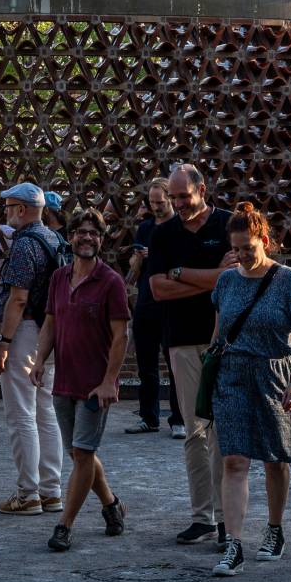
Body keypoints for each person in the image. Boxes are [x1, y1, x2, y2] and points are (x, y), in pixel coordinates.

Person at [205, 203, 291, 576]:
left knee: (275, 459)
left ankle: (275, 528)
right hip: (232, 375)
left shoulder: (288, 280)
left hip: (274, 374)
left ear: (264, 241)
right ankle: (233, 545)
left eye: (249, 247)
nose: (243, 255)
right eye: (237, 249)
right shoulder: (226, 281)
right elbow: (219, 333)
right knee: (234, 459)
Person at [29, 209, 129, 552]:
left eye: (94, 233)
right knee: (78, 453)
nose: (87, 238)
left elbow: (120, 336)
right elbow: (51, 324)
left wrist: (109, 381)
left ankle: (64, 525)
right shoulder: (59, 277)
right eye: (81, 232)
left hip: (94, 386)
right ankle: (112, 505)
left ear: (102, 240)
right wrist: (40, 360)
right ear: (70, 237)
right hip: (64, 381)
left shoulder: (111, 281)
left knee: (83, 454)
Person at [146, 163, 236, 545]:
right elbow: (157, 290)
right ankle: (202, 515)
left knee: (223, 430)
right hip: (181, 339)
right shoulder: (162, 234)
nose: (179, 203)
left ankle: (224, 516)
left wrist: (182, 273)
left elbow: (238, 276)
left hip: (225, 339)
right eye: (175, 197)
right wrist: (212, 277)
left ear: (203, 189)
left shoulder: (230, 225)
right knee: (195, 429)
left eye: (185, 196)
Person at [0, 181, 65, 515]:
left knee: (21, 413)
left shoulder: (23, 245)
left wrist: (3, 344)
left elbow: (17, 298)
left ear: (21, 209)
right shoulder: (55, 239)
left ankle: (28, 493)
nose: (6, 214)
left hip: (25, 332)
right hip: (51, 332)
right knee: (46, 412)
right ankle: (51, 490)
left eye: (8, 208)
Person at [125, 178, 180, 437]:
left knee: (175, 364)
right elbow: (135, 266)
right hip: (147, 300)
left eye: (160, 202)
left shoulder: (180, 227)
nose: (156, 206)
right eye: (152, 202)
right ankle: (149, 416)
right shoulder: (145, 228)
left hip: (172, 302)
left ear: (170, 199)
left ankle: (179, 419)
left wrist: (159, 256)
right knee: (146, 364)